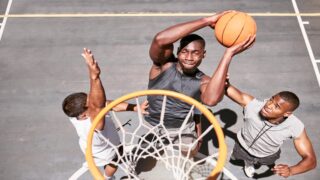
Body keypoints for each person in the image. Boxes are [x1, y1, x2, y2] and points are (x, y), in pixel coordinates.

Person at [145, 10, 255, 155]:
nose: (189, 57)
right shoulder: (163, 65)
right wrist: (207, 21)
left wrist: (228, 54)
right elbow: (160, 39)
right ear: (177, 52)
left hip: (182, 128)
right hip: (153, 123)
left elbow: (211, 100)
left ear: (203, 54)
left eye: (196, 53)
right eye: (185, 51)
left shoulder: (203, 80)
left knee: (190, 155)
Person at [62, 48, 148, 179]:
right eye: (90, 103)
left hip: (89, 146)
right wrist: (94, 76)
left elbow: (106, 104)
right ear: (85, 115)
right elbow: (98, 106)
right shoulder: (95, 125)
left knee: (102, 106)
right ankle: (108, 177)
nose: (94, 100)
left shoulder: (75, 113)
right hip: (105, 150)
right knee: (117, 155)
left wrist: (135, 108)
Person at [225, 78, 317, 178]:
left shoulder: (295, 126)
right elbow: (228, 90)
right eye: (271, 100)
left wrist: (291, 170)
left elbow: (311, 160)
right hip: (242, 146)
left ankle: (251, 163)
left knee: (263, 162)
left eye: (276, 106)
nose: (268, 105)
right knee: (236, 157)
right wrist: (224, 83)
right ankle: (248, 163)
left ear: (287, 113)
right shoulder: (253, 106)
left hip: (267, 155)